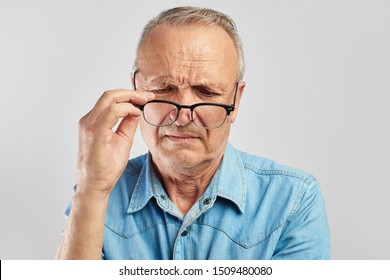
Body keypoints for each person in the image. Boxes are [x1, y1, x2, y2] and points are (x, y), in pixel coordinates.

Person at [56, 6, 330, 260]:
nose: (183, 113)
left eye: (207, 92)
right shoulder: (98, 193)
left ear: (236, 100)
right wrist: (91, 189)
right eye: (163, 89)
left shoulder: (293, 201)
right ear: (135, 89)